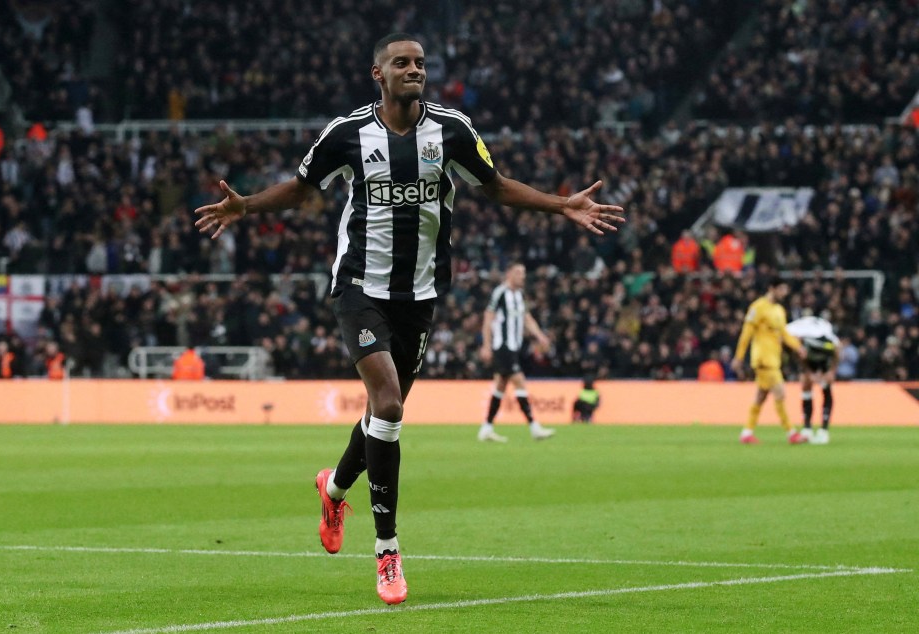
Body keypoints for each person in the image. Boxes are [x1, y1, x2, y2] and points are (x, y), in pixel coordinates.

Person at [193, 33, 625, 605]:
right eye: (402, 63)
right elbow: (300, 191)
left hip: (420, 296)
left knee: (381, 413)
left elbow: (495, 188)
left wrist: (561, 203)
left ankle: (335, 485)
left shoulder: (452, 130)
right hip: (359, 289)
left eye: (420, 63)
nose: (413, 70)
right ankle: (388, 552)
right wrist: (245, 205)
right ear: (378, 73)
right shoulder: (347, 133)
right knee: (390, 404)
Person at [477, 262, 555, 441]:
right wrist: (487, 345)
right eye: (519, 272)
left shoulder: (519, 295)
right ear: (509, 274)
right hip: (502, 346)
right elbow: (488, 318)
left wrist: (540, 336)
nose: (523, 276)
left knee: (501, 386)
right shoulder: (500, 293)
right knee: (519, 381)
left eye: (524, 273)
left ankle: (486, 428)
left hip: (514, 347)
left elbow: (527, 318)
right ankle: (534, 427)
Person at [731, 276, 808, 444]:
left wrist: (798, 347)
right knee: (780, 393)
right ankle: (791, 433)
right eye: (782, 289)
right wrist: (739, 356)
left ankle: (746, 433)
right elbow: (746, 334)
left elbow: (784, 334)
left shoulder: (779, 310)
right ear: (772, 288)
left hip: (774, 359)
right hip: (763, 359)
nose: (785, 293)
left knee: (761, 396)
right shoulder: (758, 307)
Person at [786, 315, 841, 445]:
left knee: (826, 386)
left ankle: (824, 430)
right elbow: (798, 357)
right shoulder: (793, 340)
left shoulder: (823, 339)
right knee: (805, 384)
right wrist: (809, 373)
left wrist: (831, 371)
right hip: (810, 360)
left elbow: (838, 349)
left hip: (823, 360)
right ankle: (807, 428)